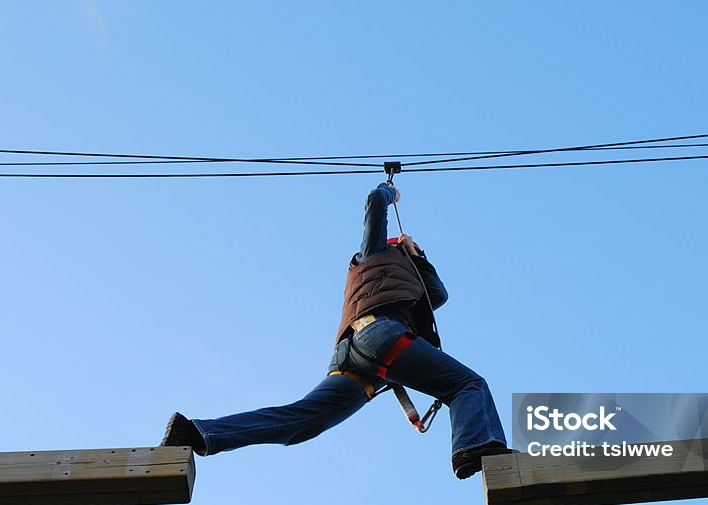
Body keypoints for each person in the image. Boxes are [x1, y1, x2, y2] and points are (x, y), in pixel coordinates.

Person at [161, 182, 513, 479]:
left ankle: (195, 432)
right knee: (468, 384)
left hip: (361, 363)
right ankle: (474, 448)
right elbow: (375, 203)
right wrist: (389, 192)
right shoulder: (372, 257)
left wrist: (419, 257)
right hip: (376, 336)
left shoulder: (411, 286)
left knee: (300, 422)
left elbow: (439, 295)